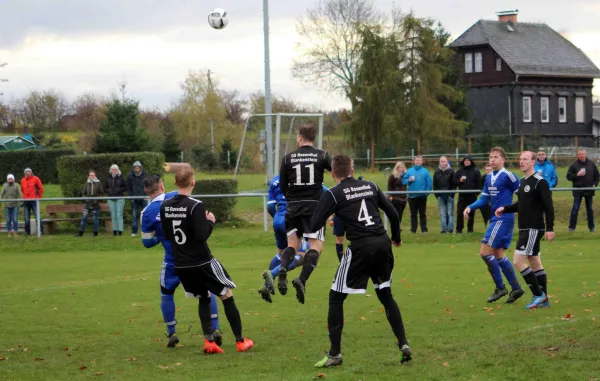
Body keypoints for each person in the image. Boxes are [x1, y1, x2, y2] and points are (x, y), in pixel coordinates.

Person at [309, 155, 411, 368]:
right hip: (383, 243)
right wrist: (397, 237)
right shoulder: (371, 185)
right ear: (352, 170)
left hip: (361, 247)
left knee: (335, 297)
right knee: (385, 294)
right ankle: (403, 345)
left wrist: (324, 213)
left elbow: (314, 223)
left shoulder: (333, 193)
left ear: (333, 173)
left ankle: (335, 354)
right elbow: (392, 213)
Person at [160, 165, 253, 354]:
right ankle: (240, 341)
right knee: (226, 294)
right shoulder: (195, 205)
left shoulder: (165, 206)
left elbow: (168, 234)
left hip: (181, 264)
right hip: (201, 261)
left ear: (175, 183)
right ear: (193, 182)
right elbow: (202, 236)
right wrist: (210, 221)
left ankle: (209, 341)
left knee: (204, 296)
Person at [142, 174, 222, 348]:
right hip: (194, 257)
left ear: (145, 191)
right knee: (207, 290)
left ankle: (172, 332)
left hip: (172, 260)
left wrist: (161, 238)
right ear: (162, 186)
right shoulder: (176, 198)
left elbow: (147, 242)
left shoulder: (146, 213)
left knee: (166, 292)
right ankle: (215, 328)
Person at [278, 123, 332, 304]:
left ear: (300, 138)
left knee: (292, 244)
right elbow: (337, 172)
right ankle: (301, 279)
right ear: (313, 138)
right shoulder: (322, 155)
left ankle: (283, 268)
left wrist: (292, 200)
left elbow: (284, 186)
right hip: (314, 208)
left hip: (293, 207)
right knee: (316, 246)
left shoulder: (287, 158)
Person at [463, 147, 524, 304]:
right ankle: (516, 288)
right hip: (495, 219)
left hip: (503, 218)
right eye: (490, 157)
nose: (492, 159)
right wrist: (470, 207)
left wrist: (523, 210)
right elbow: (484, 199)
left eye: (496, 157)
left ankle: (500, 288)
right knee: (498, 255)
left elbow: (523, 196)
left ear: (503, 160)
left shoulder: (509, 176)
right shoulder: (489, 177)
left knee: (484, 252)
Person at [496, 151, 554, 309]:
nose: (521, 162)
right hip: (525, 228)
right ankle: (545, 301)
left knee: (518, 260)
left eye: (525, 159)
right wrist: (505, 208)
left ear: (533, 161)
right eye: (520, 159)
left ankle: (538, 295)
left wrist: (550, 228)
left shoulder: (539, 182)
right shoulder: (522, 181)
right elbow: (520, 205)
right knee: (535, 262)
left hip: (533, 228)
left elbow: (549, 207)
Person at [259, 174, 309, 303]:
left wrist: (278, 218)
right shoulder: (302, 177)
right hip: (292, 219)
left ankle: (266, 286)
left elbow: (270, 206)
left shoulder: (275, 180)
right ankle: (274, 273)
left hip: (278, 220)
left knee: (281, 254)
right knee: (303, 254)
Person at [566, 149, 599, 232]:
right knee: (575, 209)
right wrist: (577, 175)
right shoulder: (574, 165)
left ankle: (591, 227)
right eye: (579, 154)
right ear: (578, 155)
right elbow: (568, 176)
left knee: (590, 209)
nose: (581, 155)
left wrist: (595, 184)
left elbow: (597, 176)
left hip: (589, 190)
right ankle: (571, 227)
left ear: (585, 154)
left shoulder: (591, 164)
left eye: (582, 154)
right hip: (578, 190)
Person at [402, 156, 431, 234]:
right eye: (416, 160)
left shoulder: (425, 171)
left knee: (422, 213)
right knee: (413, 214)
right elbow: (403, 181)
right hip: (412, 197)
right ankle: (413, 229)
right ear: (414, 161)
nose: (418, 161)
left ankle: (424, 229)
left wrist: (426, 193)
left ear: (422, 162)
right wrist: (408, 180)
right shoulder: (409, 171)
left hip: (422, 197)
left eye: (419, 160)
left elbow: (429, 184)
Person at [453, 156, 481, 233]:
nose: (467, 161)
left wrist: (476, 194)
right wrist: (459, 180)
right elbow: (454, 181)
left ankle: (470, 230)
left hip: (472, 196)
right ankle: (459, 230)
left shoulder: (476, 171)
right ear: (463, 161)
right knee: (459, 213)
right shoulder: (459, 171)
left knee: (471, 214)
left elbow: (479, 184)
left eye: (468, 160)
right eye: (465, 160)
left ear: (471, 161)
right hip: (462, 196)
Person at [76, 171, 104, 237]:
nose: (92, 176)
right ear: (89, 176)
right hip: (87, 204)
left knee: (95, 219)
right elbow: (83, 193)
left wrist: (97, 200)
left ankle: (95, 234)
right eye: (91, 175)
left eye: (93, 175)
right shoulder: (86, 183)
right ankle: (80, 233)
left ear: (95, 176)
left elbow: (102, 193)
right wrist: (85, 199)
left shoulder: (98, 183)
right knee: (84, 218)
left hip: (96, 204)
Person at [433, 156, 455, 233]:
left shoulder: (451, 171)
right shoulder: (436, 172)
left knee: (450, 213)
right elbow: (434, 185)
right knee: (442, 214)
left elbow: (454, 184)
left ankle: (450, 229)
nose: (443, 163)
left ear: (447, 162)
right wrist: (437, 195)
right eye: (441, 161)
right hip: (440, 196)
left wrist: (451, 194)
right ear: (439, 162)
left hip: (449, 196)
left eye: (444, 161)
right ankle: (444, 229)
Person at [105, 164, 127, 236]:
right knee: (113, 215)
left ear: (118, 170)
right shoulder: (108, 178)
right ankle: (114, 231)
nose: (114, 171)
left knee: (119, 214)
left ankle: (120, 231)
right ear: (111, 170)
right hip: (111, 198)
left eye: (116, 169)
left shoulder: (121, 178)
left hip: (120, 198)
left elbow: (125, 187)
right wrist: (109, 191)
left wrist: (118, 190)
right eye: (113, 169)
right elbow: (105, 187)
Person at [21, 168, 44, 235]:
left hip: (34, 201)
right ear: (24, 173)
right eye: (26, 172)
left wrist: (38, 197)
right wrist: (24, 197)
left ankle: (41, 231)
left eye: (29, 171)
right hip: (26, 201)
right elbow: (22, 189)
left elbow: (41, 188)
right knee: (26, 217)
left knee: (37, 216)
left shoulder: (36, 178)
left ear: (31, 172)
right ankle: (27, 232)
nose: (27, 173)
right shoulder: (22, 180)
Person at [128, 161, 148, 237]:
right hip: (134, 198)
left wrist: (146, 196)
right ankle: (134, 232)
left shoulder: (145, 175)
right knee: (134, 215)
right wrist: (131, 197)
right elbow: (129, 188)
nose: (137, 169)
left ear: (140, 168)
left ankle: (145, 231)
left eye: (138, 167)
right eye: (135, 167)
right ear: (133, 168)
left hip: (144, 198)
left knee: (145, 215)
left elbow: (148, 186)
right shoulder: (130, 176)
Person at [387, 162, 408, 232]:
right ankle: (396, 227)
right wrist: (390, 195)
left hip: (404, 197)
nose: (401, 169)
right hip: (396, 197)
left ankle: (398, 226)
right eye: (400, 167)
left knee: (401, 213)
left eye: (402, 167)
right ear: (397, 168)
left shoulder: (406, 176)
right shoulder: (393, 176)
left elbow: (406, 185)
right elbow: (389, 186)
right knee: (396, 213)